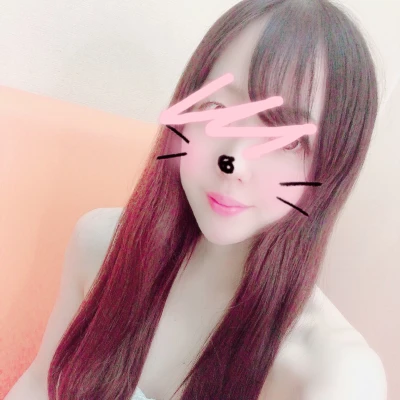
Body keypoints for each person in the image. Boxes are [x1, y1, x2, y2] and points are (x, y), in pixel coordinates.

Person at [5, 0, 387, 399]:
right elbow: (38, 384)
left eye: (286, 139)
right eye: (216, 108)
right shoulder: (99, 244)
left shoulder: (337, 374)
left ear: (336, 163)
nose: (234, 161)